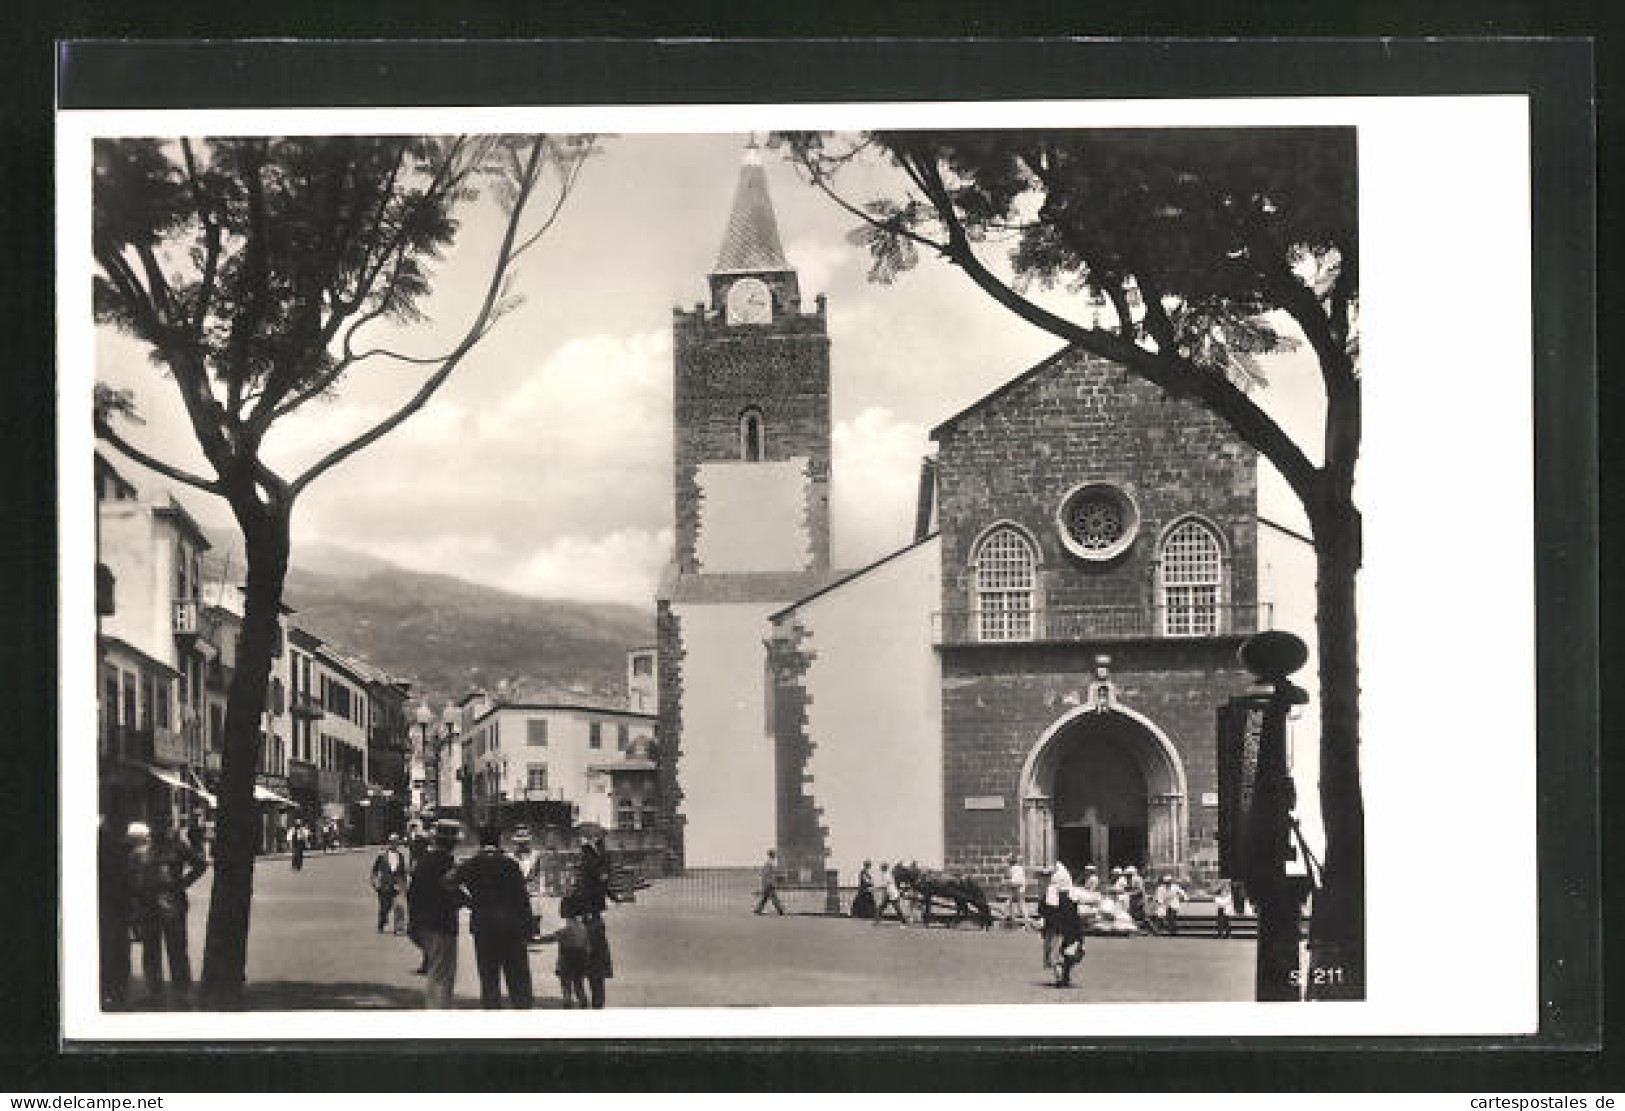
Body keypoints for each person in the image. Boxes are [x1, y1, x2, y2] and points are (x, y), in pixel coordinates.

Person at [130, 814, 208, 1003]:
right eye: (155, 824)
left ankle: (182, 990)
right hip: (147, 904)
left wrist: (183, 883)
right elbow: (133, 878)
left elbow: (200, 864)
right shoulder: (141, 850)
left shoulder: (177, 847)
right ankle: (154, 991)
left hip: (172, 901)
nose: (158, 828)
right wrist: (134, 907)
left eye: (162, 824)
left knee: (177, 948)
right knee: (151, 949)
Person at [456, 825, 534, 1009]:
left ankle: (493, 1020)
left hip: (484, 927)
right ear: (498, 840)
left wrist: (469, 901)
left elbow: (447, 883)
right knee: (517, 978)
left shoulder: (471, 864)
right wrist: (529, 927)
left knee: (489, 977)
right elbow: (522, 899)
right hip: (511, 926)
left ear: (480, 841)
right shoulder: (510, 864)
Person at [407, 819, 464, 1007]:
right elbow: (452, 892)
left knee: (434, 971)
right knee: (442, 976)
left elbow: (412, 894)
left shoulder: (423, 862)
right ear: (453, 842)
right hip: (443, 924)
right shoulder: (447, 863)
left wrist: (413, 923)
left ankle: (434, 1008)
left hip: (424, 923)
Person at [571, 833, 624, 1008]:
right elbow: (591, 886)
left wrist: (612, 896)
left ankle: (584, 1001)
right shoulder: (593, 861)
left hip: (583, 917)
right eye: (600, 842)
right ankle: (595, 1004)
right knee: (595, 965)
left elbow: (592, 886)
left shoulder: (587, 860)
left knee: (578, 964)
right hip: (590, 918)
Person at [535, 895, 592, 1008]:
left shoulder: (566, 929)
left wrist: (536, 940)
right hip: (581, 959)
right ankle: (583, 1004)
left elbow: (551, 938)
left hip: (567, 960)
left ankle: (568, 1004)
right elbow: (588, 946)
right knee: (579, 985)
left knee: (566, 986)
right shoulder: (583, 928)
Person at [370, 833, 410, 934]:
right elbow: (375, 870)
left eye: (396, 842)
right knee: (384, 907)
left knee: (399, 906)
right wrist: (374, 881)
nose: (394, 844)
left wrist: (405, 885)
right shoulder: (382, 856)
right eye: (392, 842)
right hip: (384, 884)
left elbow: (403, 872)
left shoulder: (400, 856)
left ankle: (399, 928)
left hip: (397, 885)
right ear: (389, 843)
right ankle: (381, 923)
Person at [511, 829, 544, 939]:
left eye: (524, 843)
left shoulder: (536, 855)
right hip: (517, 886)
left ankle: (534, 930)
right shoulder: (511, 857)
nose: (522, 845)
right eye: (520, 843)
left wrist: (536, 884)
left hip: (532, 885)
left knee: (535, 907)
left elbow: (538, 872)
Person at [873, 862, 907, 927]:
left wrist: (875, 888)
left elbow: (884, 885)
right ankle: (876, 920)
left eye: (882, 867)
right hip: (890, 893)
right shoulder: (886, 874)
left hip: (892, 893)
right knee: (882, 907)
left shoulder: (886, 875)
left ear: (884, 868)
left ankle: (903, 920)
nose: (881, 869)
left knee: (895, 907)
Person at [1002, 853, 1031, 930]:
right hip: (1016, 887)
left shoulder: (1016, 868)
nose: (1007, 862)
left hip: (1019, 887)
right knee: (1009, 903)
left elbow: (1017, 881)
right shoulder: (1014, 868)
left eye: (1008, 860)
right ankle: (1010, 920)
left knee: (1020, 904)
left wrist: (1007, 882)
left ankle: (1026, 922)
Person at [754, 848, 785, 916]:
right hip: (769, 883)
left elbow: (765, 874)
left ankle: (757, 910)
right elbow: (771, 874)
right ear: (773, 855)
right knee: (773, 897)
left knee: (765, 897)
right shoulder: (771, 863)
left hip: (766, 882)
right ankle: (780, 910)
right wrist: (777, 878)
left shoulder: (768, 863)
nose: (775, 856)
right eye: (774, 854)